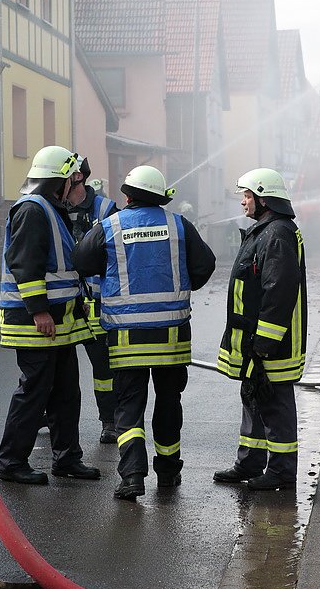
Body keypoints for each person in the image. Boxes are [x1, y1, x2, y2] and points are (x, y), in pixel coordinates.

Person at [72, 165, 216, 500]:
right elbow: (205, 264)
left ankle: (133, 477)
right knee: (169, 404)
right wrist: (183, 285)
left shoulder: (111, 226)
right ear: (162, 196)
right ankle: (168, 473)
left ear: (128, 195)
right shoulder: (180, 226)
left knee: (128, 408)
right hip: (172, 338)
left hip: (126, 339)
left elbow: (81, 260)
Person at [0, 145, 101, 485]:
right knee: (35, 391)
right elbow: (26, 265)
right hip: (36, 323)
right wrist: (40, 310)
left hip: (59, 323)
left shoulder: (50, 209)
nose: (78, 189)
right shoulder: (33, 210)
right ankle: (12, 463)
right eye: (74, 181)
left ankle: (67, 458)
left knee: (66, 391)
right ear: (59, 183)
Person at [213, 168, 307, 490]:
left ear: (263, 198)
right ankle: (250, 463)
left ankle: (281, 473)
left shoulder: (277, 233)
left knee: (275, 404)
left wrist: (263, 343)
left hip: (272, 344)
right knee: (253, 397)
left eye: (248, 195)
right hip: (257, 342)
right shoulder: (266, 230)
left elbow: (277, 292)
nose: (243, 202)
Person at [66, 158, 119, 444]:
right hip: (65, 302)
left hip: (97, 304)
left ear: (77, 178)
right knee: (56, 368)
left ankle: (109, 421)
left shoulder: (106, 210)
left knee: (104, 369)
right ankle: (48, 417)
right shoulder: (54, 208)